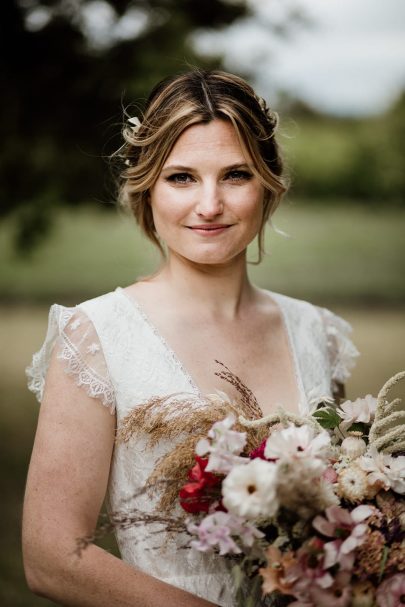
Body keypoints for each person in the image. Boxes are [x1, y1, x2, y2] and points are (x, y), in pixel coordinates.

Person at [22, 69, 358, 607]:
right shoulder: (98, 336)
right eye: (181, 177)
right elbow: (51, 557)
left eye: (235, 175)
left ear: (268, 183)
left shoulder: (317, 332)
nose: (209, 205)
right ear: (147, 184)